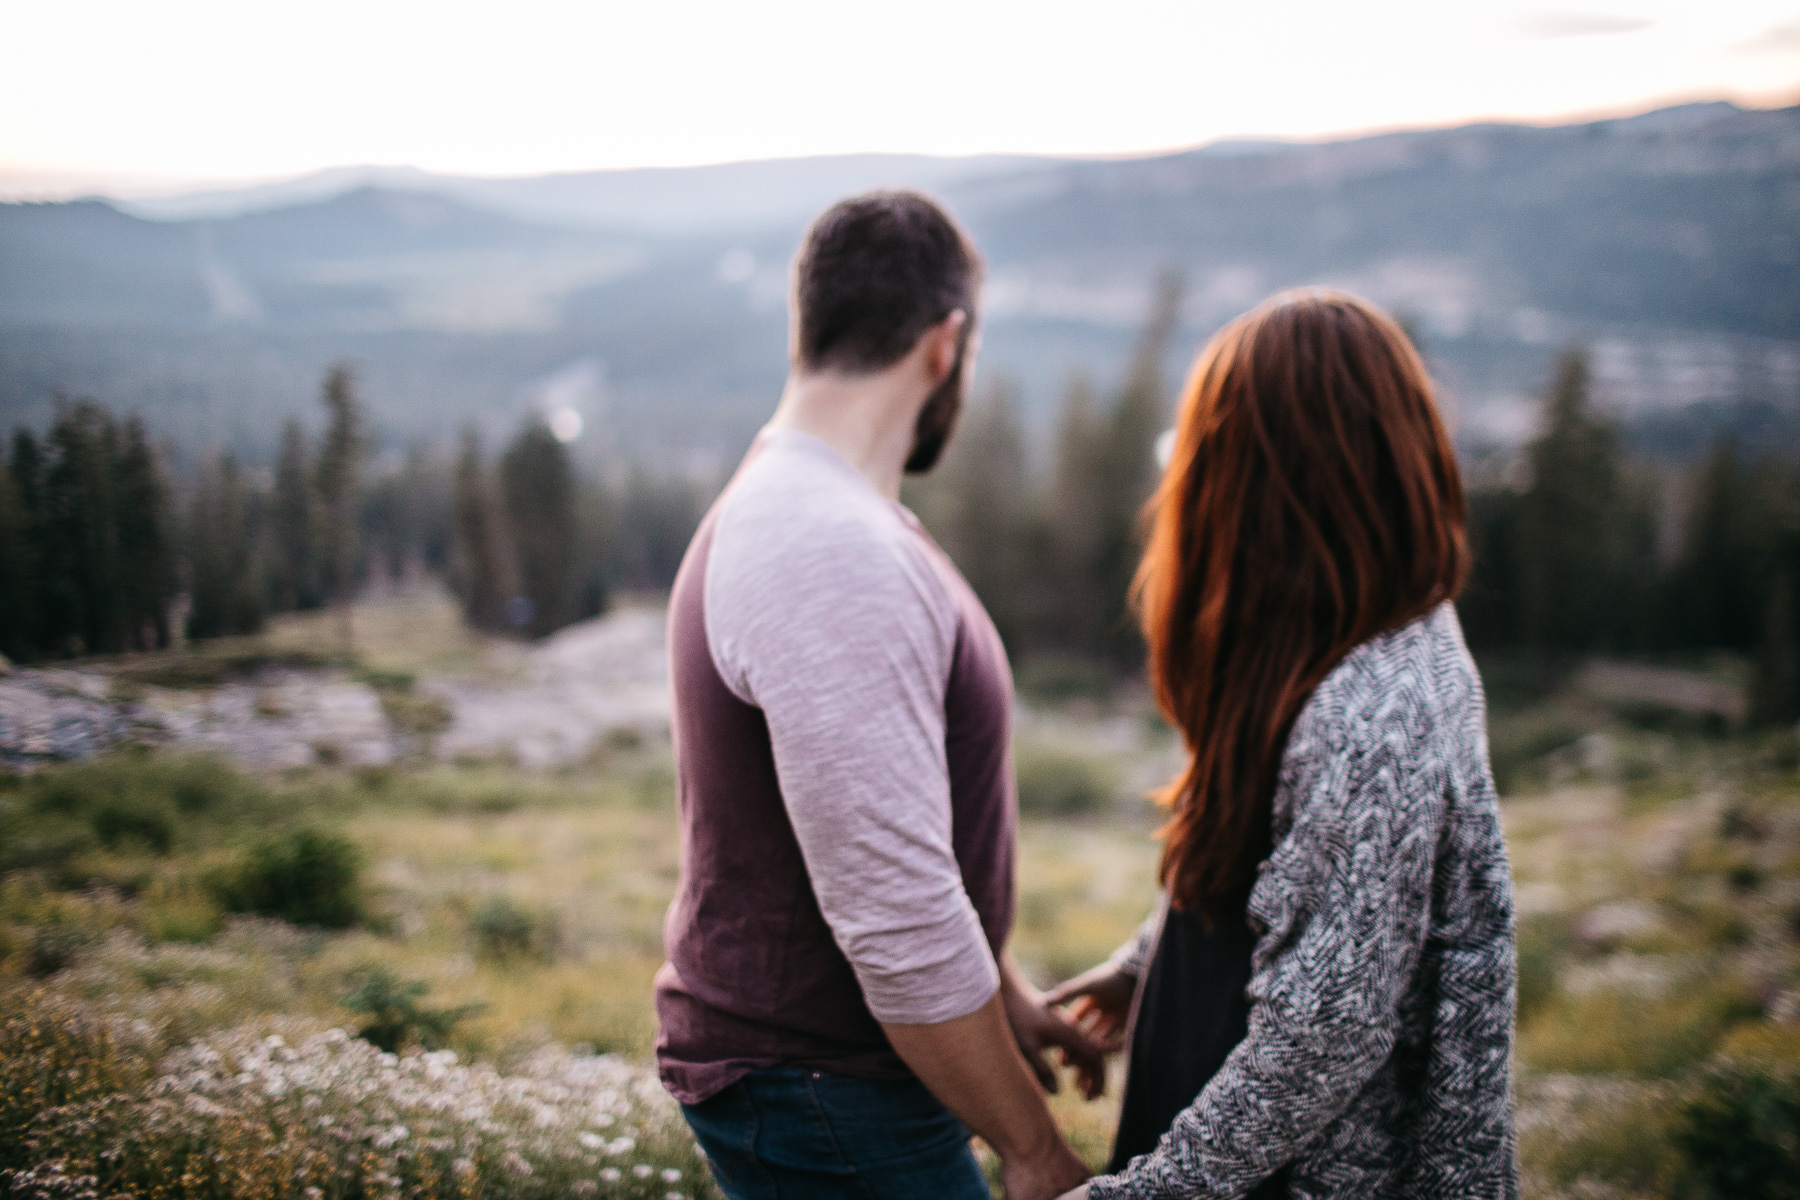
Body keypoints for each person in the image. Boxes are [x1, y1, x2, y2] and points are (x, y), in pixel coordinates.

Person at [654, 191, 1100, 1200]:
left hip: (835, 1080)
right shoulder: (826, 543)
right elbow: (894, 912)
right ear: (945, 346)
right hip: (832, 1090)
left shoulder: (821, 509)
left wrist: (1002, 993)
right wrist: (1035, 1148)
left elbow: (876, 827)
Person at [1050, 291, 1518, 1199]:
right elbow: (1293, 875)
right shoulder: (1331, 644)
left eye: (1206, 452)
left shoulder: (1379, 708)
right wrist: (1144, 967)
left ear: (1268, 485)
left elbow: (1325, 1035)